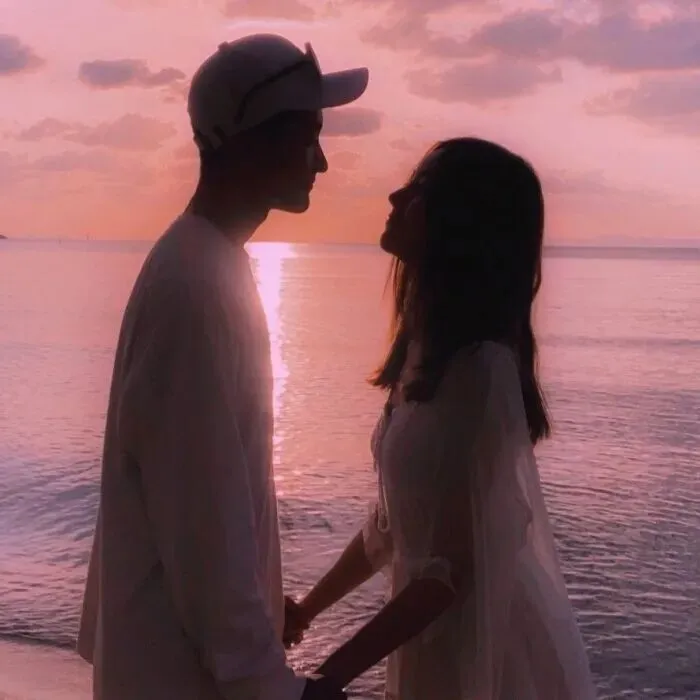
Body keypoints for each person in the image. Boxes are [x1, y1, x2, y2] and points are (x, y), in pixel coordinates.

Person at [76, 34, 368, 700]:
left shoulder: (205, 265)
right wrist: (275, 687)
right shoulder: (196, 287)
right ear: (253, 141)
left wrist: (260, 609)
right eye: (308, 138)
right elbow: (203, 517)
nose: (322, 162)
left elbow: (197, 501)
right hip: (180, 676)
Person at [284, 138, 597, 699]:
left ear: (460, 222)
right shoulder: (424, 353)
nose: (394, 196)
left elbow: (447, 573)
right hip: (434, 645)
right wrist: (306, 610)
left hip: (483, 655)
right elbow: (390, 528)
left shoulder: (482, 371)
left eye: (418, 190)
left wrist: (329, 676)